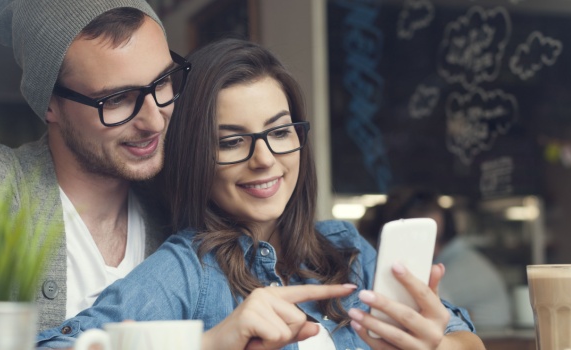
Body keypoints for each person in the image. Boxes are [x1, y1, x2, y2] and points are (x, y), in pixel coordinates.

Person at [37, 39, 484, 349]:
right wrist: (210, 344)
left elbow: (468, 339)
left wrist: (433, 344)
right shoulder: (187, 270)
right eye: (231, 141)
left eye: (280, 132)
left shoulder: (346, 248)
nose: (265, 159)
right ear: (196, 157)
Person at [0, 0, 188, 330]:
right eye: (116, 99)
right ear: (50, 105)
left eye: (163, 82)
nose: (154, 121)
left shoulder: (179, 207)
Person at [359, 186, 512, 330]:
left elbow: (427, 312)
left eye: (435, 237)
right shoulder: (456, 259)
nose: (432, 247)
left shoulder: (460, 266)